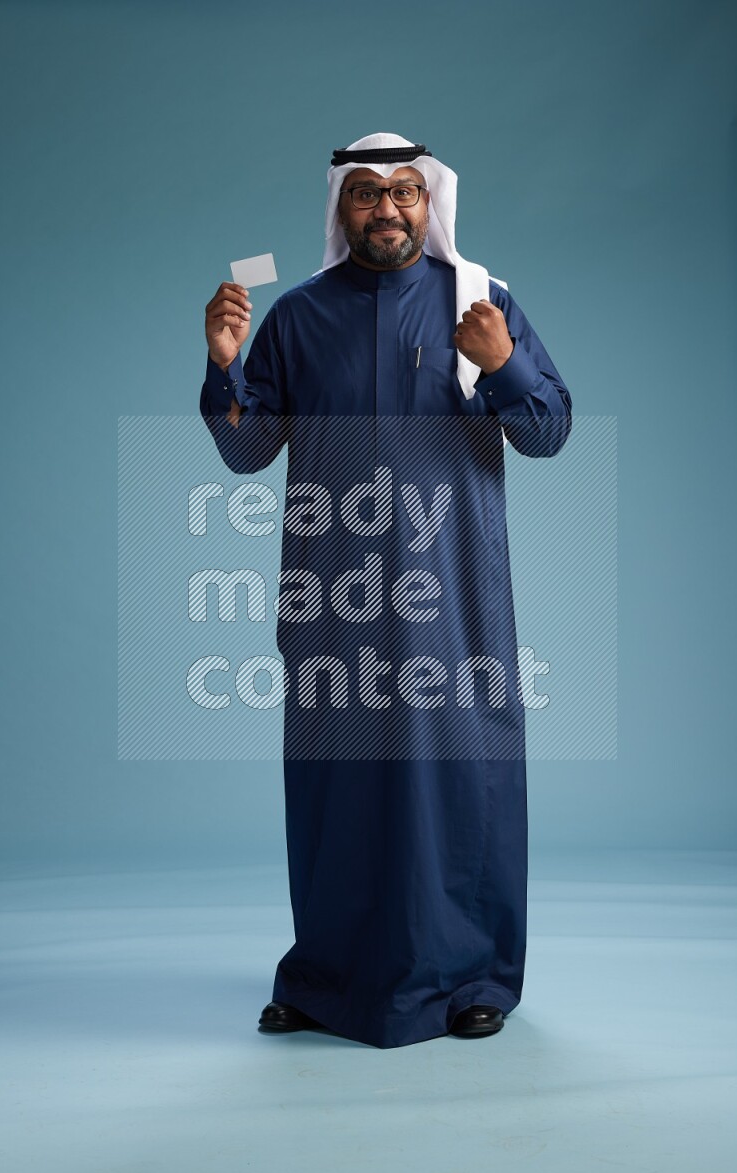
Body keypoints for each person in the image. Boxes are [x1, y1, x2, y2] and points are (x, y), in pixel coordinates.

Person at [199, 133, 572, 1049]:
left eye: (404, 192)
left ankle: (472, 977)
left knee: (457, 780)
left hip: (454, 595)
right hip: (333, 594)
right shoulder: (295, 316)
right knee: (337, 782)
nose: (387, 210)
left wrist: (503, 361)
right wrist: (222, 364)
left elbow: (549, 431)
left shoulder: (481, 299)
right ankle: (325, 978)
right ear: (342, 210)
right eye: (366, 195)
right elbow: (250, 452)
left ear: (429, 203)